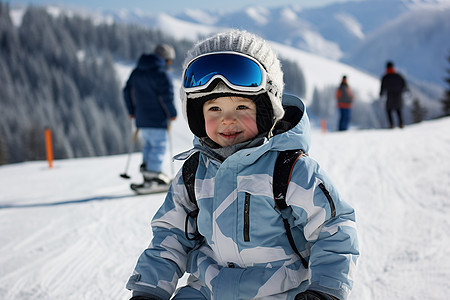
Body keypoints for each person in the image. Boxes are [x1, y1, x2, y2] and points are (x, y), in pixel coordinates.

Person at [126, 30, 359, 300]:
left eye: (241, 108)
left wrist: (325, 291)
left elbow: (334, 229)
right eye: (214, 109)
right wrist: (148, 291)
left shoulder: (290, 169)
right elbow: (170, 236)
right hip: (208, 289)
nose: (227, 120)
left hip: (281, 290)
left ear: (266, 110)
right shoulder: (193, 173)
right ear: (197, 114)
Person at [123, 44, 177, 191]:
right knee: (158, 146)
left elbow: (127, 91)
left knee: (148, 145)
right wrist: (172, 113)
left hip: (141, 118)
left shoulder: (137, 72)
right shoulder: (161, 73)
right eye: (169, 61)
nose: (169, 64)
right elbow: (166, 97)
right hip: (157, 118)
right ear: (165, 59)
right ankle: (153, 176)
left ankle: (147, 175)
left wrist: (131, 111)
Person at [379, 61, 408, 128]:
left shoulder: (385, 77)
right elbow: (404, 86)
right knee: (398, 110)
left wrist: (381, 95)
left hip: (389, 97)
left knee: (389, 110)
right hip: (398, 96)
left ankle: (391, 125)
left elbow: (382, 88)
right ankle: (401, 123)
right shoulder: (398, 76)